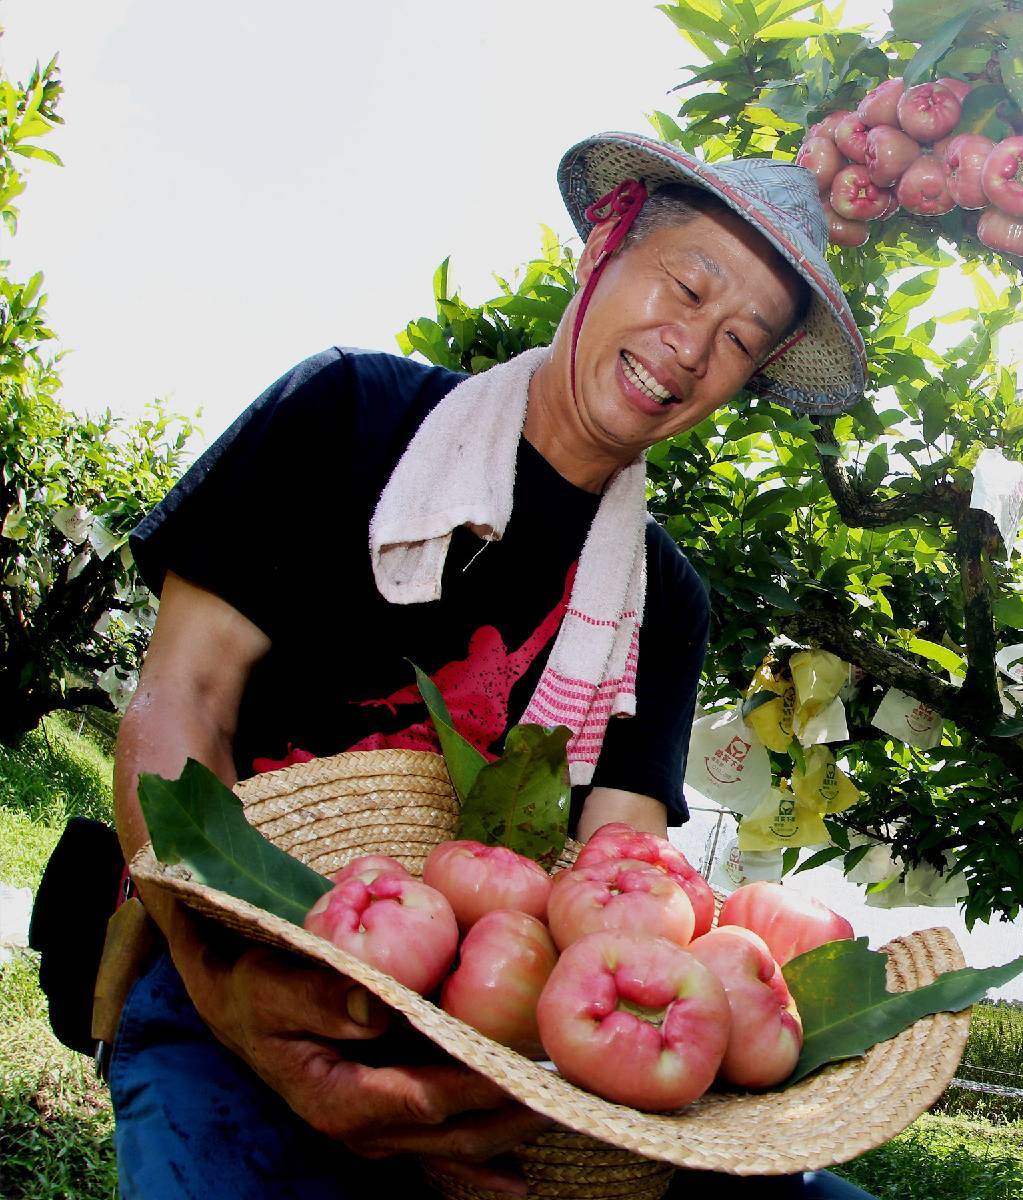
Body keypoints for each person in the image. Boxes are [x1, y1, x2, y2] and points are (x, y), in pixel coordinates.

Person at [105, 132, 876, 1199]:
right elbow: (177, 701)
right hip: (235, 966)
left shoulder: (664, 600)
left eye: (740, 338)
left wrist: (552, 1107)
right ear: (603, 245)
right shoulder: (346, 416)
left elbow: (621, 887)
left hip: (491, 1034)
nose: (693, 347)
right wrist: (225, 987)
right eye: (687, 284)